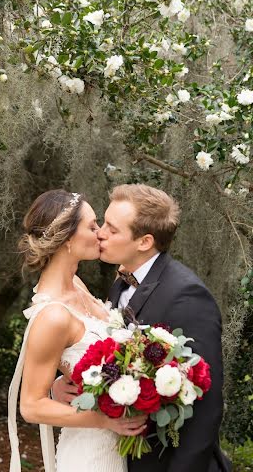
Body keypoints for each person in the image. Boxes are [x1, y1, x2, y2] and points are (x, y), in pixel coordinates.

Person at [53, 183, 232, 472]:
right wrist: (67, 385)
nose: (100, 233)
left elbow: (207, 408)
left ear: (144, 242)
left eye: (112, 229)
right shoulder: (122, 282)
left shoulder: (187, 297)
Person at [8, 189, 147, 472]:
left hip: (116, 444)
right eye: (93, 226)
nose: (100, 233)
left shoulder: (78, 286)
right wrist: (103, 420)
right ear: (68, 238)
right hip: (90, 454)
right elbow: (31, 406)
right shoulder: (53, 315)